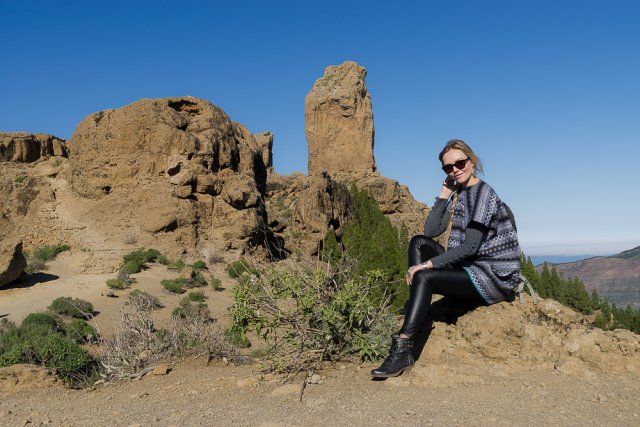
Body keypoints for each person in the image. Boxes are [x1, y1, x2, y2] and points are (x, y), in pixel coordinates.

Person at [371, 139, 521, 378]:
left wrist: (427, 265)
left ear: (471, 162)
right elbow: (431, 231)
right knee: (418, 242)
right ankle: (419, 313)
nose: (455, 169)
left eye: (460, 163)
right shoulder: (460, 192)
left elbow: (471, 246)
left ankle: (403, 347)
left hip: (491, 277)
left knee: (426, 275)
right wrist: (444, 195)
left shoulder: (483, 193)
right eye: (448, 167)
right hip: (470, 268)